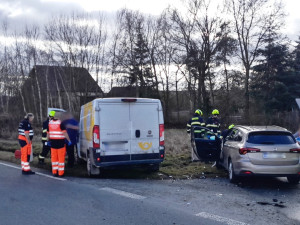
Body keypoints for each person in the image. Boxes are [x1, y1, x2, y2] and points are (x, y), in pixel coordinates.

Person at [47, 113, 71, 177]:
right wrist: (69, 140)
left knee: (54, 158)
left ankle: (55, 172)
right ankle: (60, 173)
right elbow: (64, 133)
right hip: (60, 143)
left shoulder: (50, 123)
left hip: (53, 143)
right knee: (61, 159)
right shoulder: (61, 123)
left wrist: (48, 140)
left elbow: (48, 133)